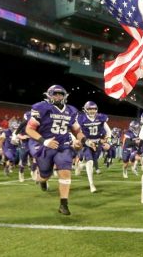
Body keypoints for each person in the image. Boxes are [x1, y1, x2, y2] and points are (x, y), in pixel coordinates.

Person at [25, 85, 86, 215]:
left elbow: (77, 131)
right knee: (44, 176)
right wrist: (44, 141)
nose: (58, 96)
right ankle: (41, 179)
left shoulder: (71, 111)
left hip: (62, 146)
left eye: (60, 94)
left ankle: (64, 204)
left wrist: (83, 141)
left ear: (65, 96)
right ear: (49, 95)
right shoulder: (41, 108)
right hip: (44, 145)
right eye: (55, 94)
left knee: (65, 171)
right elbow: (29, 129)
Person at [76, 101, 111, 193]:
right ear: (85, 109)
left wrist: (107, 139)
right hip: (87, 142)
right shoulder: (81, 118)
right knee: (90, 162)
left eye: (94, 109)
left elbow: (108, 131)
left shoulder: (101, 118)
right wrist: (78, 140)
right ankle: (92, 184)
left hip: (98, 142)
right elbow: (76, 131)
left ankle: (81, 165)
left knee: (94, 160)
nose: (92, 111)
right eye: (90, 109)